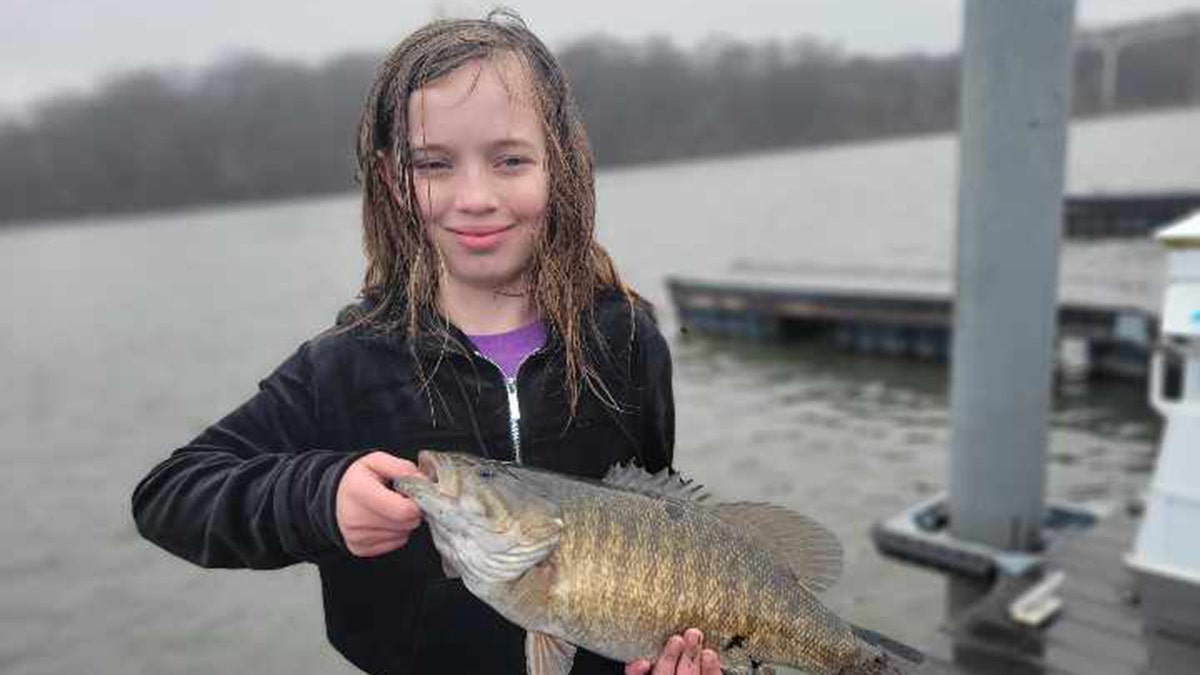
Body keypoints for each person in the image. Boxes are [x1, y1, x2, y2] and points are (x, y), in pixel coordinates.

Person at [132, 10, 720, 675]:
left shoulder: (631, 338)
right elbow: (169, 493)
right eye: (435, 163)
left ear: (559, 162)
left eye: (509, 160)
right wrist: (319, 496)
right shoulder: (343, 365)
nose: (474, 196)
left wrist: (681, 654)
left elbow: (666, 526)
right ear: (393, 179)